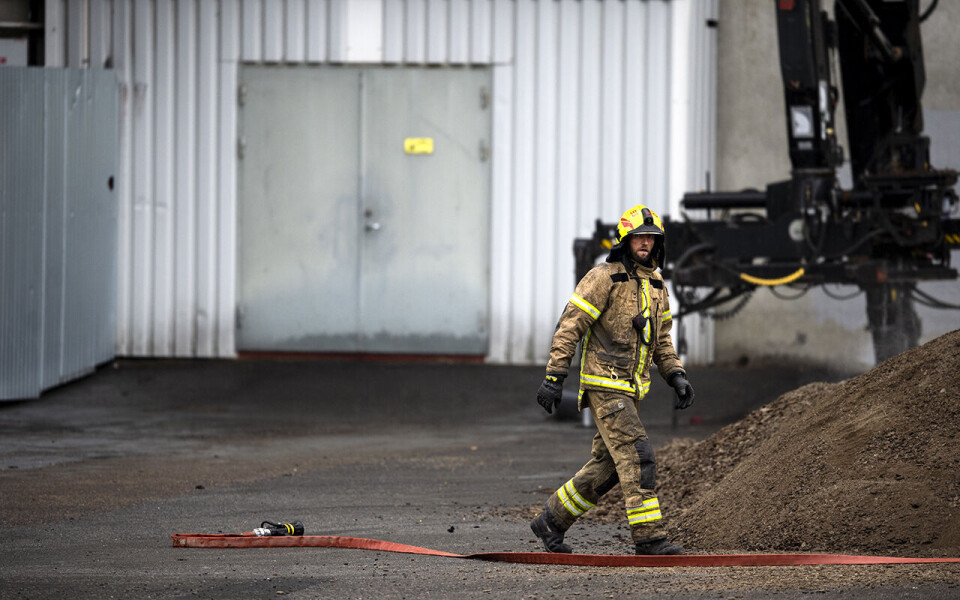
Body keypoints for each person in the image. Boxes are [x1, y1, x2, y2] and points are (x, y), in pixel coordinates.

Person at [530, 204, 695, 556]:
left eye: (652, 238)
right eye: (639, 236)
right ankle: (649, 538)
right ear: (625, 239)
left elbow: (661, 339)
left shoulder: (657, 285)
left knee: (607, 469)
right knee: (638, 456)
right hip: (604, 385)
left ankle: (551, 521)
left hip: (631, 389)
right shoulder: (604, 277)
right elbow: (570, 325)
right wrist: (554, 376)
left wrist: (676, 374)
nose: (645, 243)